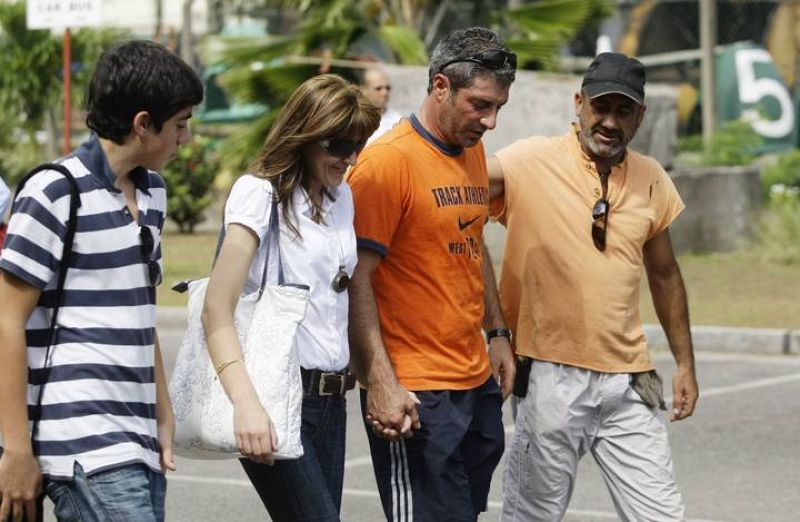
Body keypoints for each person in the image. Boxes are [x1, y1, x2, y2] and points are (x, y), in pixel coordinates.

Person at [488, 52, 699, 521]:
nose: (609, 122)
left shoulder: (651, 178)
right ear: (579, 103)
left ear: (640, 117)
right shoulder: (530, 159)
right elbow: (454, 194)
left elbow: (664, 273)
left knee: (662, 515)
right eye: (600, 107)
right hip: (548, 376)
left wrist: (685, 363)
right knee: (532, 517)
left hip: (629, 380)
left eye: (623, 111)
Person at [0, 40, 202, 522]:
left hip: (137, 437)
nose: (186, 139)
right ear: (142, 124)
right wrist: (17, 451)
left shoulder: (153, 192)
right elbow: (7, 322)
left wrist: (163, 411)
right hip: (80, 443)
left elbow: (139, 311)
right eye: (180, 125)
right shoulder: (54, 191)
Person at [347, 27, 517, 521]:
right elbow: (356, 281)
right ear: (440, 86)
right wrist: (380, 381)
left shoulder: (472, 149)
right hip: (415, 390)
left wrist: (498, 332)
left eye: (498, 107)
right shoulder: (387, 164)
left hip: (473, 379)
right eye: (480, 104)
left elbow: (472, 239)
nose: (490, 121)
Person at [201, 74, 379, 522]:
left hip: (330, 402)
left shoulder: (342, 199)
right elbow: (216, 310)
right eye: (339, 145)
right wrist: (246, 404)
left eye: (359, 145)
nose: (350, 158)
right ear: (305, 136)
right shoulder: (259, 194)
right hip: (277, 392)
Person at [359, 67, 403, 144]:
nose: (385, 93)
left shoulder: (399, 122)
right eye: (378, 88)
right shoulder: (354, 117)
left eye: (387, 88)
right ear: (364, 90)